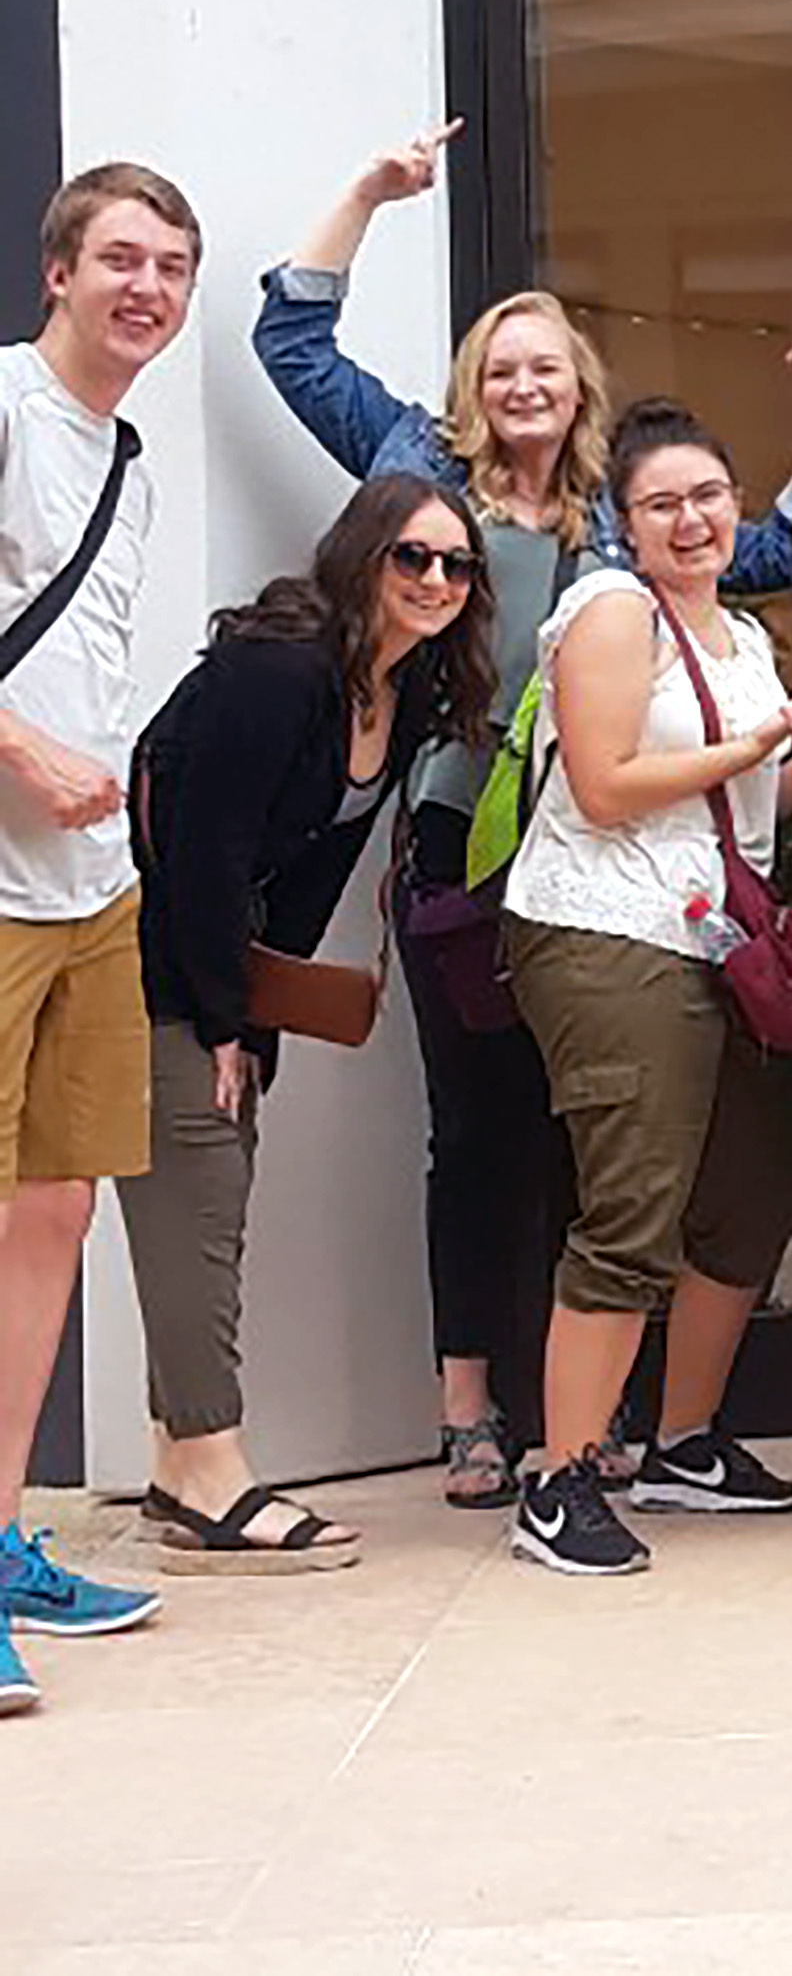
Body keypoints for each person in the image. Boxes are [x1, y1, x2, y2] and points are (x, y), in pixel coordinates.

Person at [253, 125, 792, 1503]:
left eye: (545, 363)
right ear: (474, 385)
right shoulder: (418, 470)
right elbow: (291, 346)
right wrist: (368, 194)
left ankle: (587, 1423)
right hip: (468, 839)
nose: (522, 383)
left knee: (605, 1136)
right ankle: (474, 1406)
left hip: (612, 858)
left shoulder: (618, 524)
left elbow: (787, 551)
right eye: (499, 364)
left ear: (578, 385)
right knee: (479, 1132)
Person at [121, 475, 497, 1569]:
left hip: (214, 968)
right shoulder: (280, 670)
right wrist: (221, 1013)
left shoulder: (405, 686)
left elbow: (310, 874)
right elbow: (202, 849)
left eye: (456, 564)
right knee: (198, 1201)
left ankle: (173, 1462)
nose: (435, 580)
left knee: (209, 1196)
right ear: (363, 556)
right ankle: (210, 1470)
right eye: (411, 557)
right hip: (142, 958)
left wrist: (263, 1010)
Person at [500, 400, 792, 1578]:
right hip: (606, 931)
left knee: (752, 1188)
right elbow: (603, 786)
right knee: (632, 1209)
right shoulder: (609, 610)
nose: (692, 521)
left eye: (709, 497)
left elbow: (739, 807)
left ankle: (683, 1441)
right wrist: (755, 754)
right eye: (663, 504)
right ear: (623, 524)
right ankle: (561, 1475)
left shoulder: (742, 638)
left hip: (713, 940)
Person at [0, 161, 201, 1714]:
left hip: (90, 889)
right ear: (57, 268)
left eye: (172, 263)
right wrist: (24, 753)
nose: (147, 284)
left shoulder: (129, 453)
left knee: (52, 1212)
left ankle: (4, 1537)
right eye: (121, 256)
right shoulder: (6, 406)